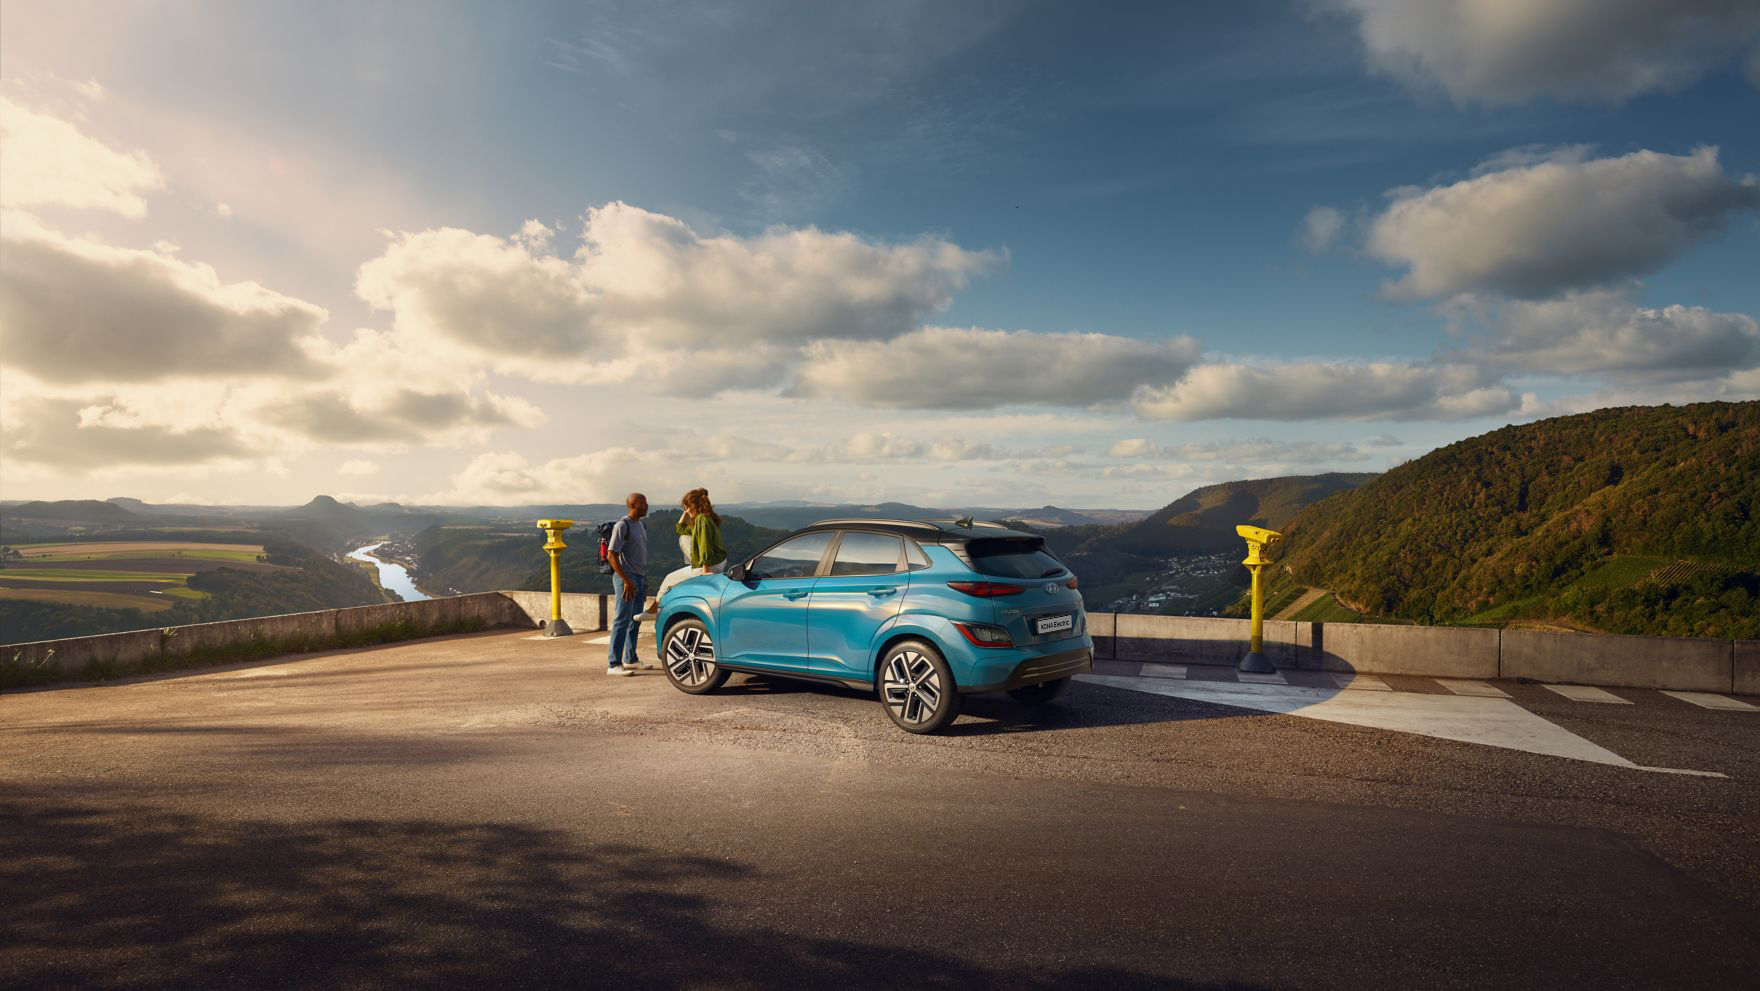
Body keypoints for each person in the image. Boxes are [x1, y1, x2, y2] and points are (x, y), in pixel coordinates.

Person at [648, 487, 727, 613]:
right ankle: (654, 610)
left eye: (686, 507)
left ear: (693, 506)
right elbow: (680, 530)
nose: (685, 510)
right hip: (715, 562)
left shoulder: (702, 520)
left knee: (669, 579)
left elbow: (704, 544)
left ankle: (653, 610)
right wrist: (685, 513)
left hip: (710, 564)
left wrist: (705, 569)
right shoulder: (703, 519)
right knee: (684, 538)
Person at [604, 492, 649, 676]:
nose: (647, 505)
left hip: (638, 577)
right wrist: (626, 581)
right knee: (621, 620)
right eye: (644, 502)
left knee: (635, 620)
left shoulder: (640, 525)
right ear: (635, 504)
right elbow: (611, 555)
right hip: (626, 578)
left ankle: (630, 659)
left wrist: (643, 581)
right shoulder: (622, 526)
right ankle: (613, 664)